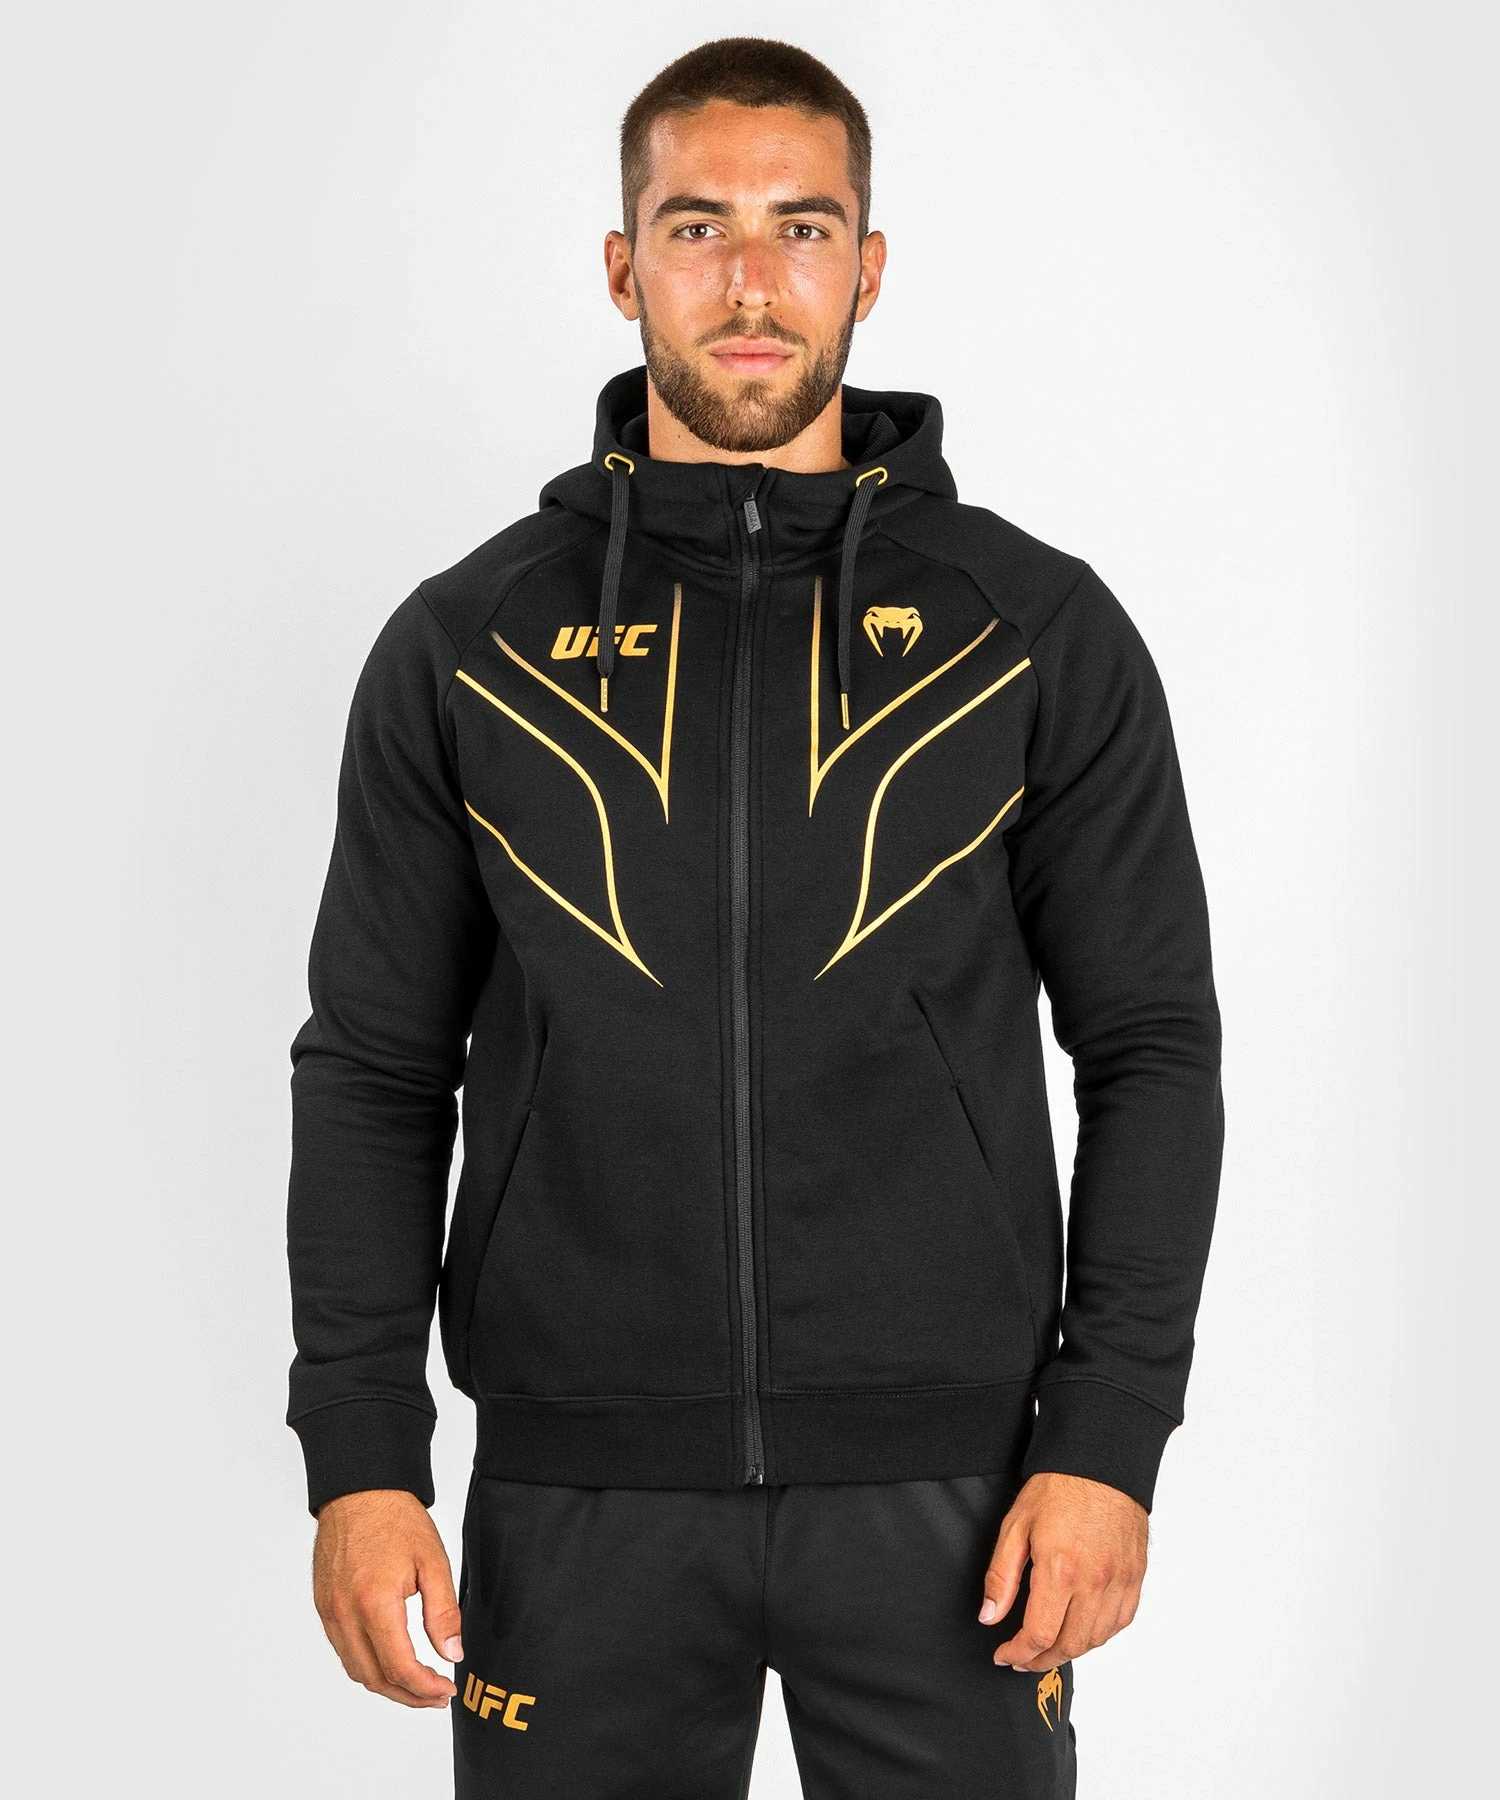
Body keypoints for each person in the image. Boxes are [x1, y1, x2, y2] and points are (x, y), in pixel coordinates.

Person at [285, 35, 1224, 1799]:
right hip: (576, 1493)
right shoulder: (468, 644)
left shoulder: (1031, 632)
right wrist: (360, 1452)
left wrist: (1109, 1437)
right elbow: (373, 1070)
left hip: (958, 1499)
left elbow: (1153, 1049)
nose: (749, 280)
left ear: (868, 268)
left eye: (801, 228)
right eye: (697, 225)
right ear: (622, 264)